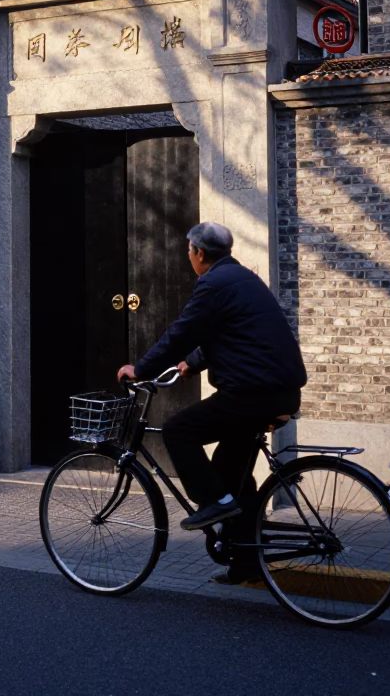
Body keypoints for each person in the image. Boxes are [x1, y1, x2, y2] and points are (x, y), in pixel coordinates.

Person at [117, 221, 306, 584]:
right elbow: (236, 333)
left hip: (251, 394)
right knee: (232, 473)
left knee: (178, 431)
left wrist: (140, 370)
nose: (189, 257)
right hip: (279, 391)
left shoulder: (213, 284)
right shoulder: (243, 279)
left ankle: (213, 504)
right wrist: (195, 362)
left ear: (199, 253)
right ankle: (247, 561)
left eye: (189, 251)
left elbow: (180, 334)